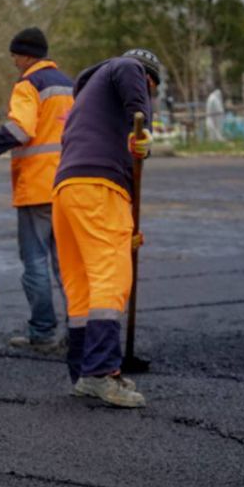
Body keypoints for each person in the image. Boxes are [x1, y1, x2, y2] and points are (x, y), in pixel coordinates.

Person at [0, 27, 74, 352]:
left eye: (14, 56)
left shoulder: (28, 85)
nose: (14, 63)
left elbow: (20, 129)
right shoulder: (69, 84)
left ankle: (43, 332)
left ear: (23, 55)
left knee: (35, 261)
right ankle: (80, 332)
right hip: (68, 185)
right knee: (67, 265)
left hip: (37, 187)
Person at [51, 48, 159, 408]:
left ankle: (84, 372)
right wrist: (143, 126)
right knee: (111, 277)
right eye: (151, 90)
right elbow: (130, 70)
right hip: (99, 188)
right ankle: (100, 374)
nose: (150, 97)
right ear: (149, 80)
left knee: (82, 285)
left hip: (68, 190)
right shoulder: (128, 67)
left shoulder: (88, 98)